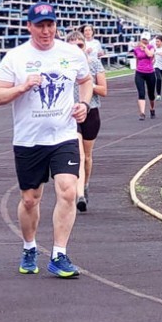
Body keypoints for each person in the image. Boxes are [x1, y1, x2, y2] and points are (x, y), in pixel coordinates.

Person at [0, 2, 92, 278]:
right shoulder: (16, 57)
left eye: (50, 25)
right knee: (30, 200)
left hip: (63, 134)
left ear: (56, 26)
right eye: (40, 26)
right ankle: (29, 246)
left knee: (68, 190)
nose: (46, 31)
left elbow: (86, 80)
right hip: (29, 140)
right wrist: (22, 87)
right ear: (29, 27)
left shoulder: (71, 53)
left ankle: (59, 254)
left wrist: (83, 103)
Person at [65, 31, 106, 212]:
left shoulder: (95, 63)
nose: (76, 49)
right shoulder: (63, 66)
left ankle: (85, 185)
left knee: (87, 157)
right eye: (72, 46)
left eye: (79, 46)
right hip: (71, 115)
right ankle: (79, 194)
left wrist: (87, 83)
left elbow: (104, 90)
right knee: (79, 155)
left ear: (85, 46)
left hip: (91, 112)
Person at [131, 32, 157, 120]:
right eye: (143, 39)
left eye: (146, 40)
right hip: (140, 72)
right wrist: (136, 68)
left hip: (150, 72)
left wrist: (145, 47)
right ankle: (142, 113)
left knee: (151, 94)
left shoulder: (151, 47)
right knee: (141, 93)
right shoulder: (137, 49)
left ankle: (152, 108)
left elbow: (150, 54)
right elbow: (137, 59)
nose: (144, 41)